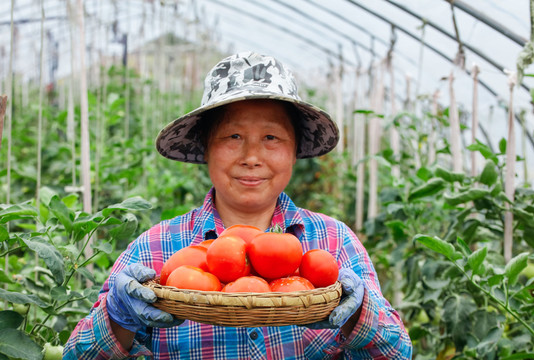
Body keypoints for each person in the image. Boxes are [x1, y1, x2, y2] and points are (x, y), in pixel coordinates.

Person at [64, 51, 412, 359]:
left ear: (294, 152)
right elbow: (78, 355)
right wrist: (116, 319)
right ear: (206, 148)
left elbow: (397, 353)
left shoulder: (335, 242)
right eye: (233, 137)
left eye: (271, 138)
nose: (251, 157)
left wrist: (359, 314)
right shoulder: (155, 249)